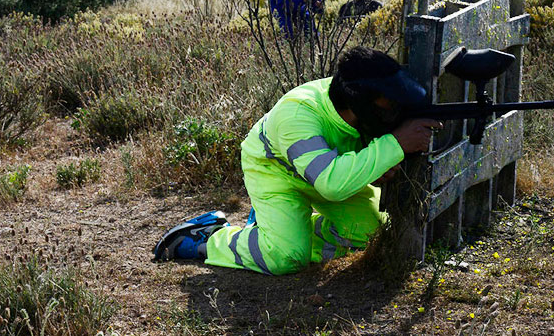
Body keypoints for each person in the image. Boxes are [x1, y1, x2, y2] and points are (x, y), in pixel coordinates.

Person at [153, 47, 442, 275]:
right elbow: (331, 184)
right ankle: (210, 238)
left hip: (327, 168)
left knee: (370, 232)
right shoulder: (298, 115)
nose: (394, 109)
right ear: (362, 103)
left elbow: (342, 164)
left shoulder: (355, 106)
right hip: (275, 169)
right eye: (389, 103)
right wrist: (395, 144)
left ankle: (280, 231)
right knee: (286, 257)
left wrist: (377, 166)